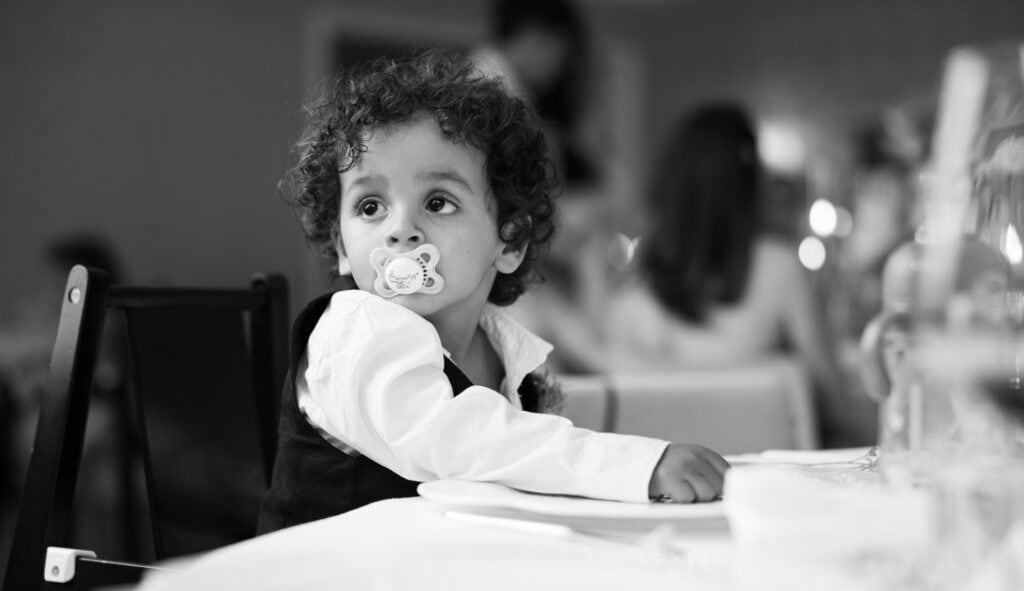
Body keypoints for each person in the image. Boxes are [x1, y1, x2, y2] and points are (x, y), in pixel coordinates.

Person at [257, 50, 729, 534]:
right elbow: (465, 440)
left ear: (511, 241)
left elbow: (519, 468)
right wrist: (637, 465)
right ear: (340, 246)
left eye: (437, 202)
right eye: (370, 205)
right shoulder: (354, 331)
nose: (400, 230)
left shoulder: (507, 351)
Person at [604, 103, 877, 448]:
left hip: (662, 485)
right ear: (749, 182)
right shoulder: (778, 268)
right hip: (768, 483)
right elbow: (828, 394)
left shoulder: (633, 285)